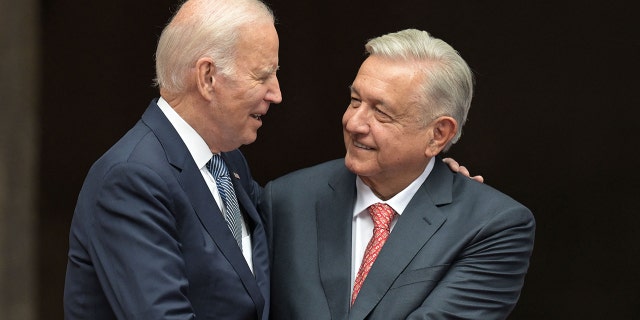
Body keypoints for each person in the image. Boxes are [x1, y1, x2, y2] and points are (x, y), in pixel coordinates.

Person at [262, 29, 535, 319]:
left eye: (381, 113)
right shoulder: (284, 201)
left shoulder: (491, 226)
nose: (354, 123)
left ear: (438, 135)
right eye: (355, 101)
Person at [63, 0, 281, 318]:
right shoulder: (131, 178)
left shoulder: (228, 162)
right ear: (208, 77)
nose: (276, 93)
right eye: (262, 76)